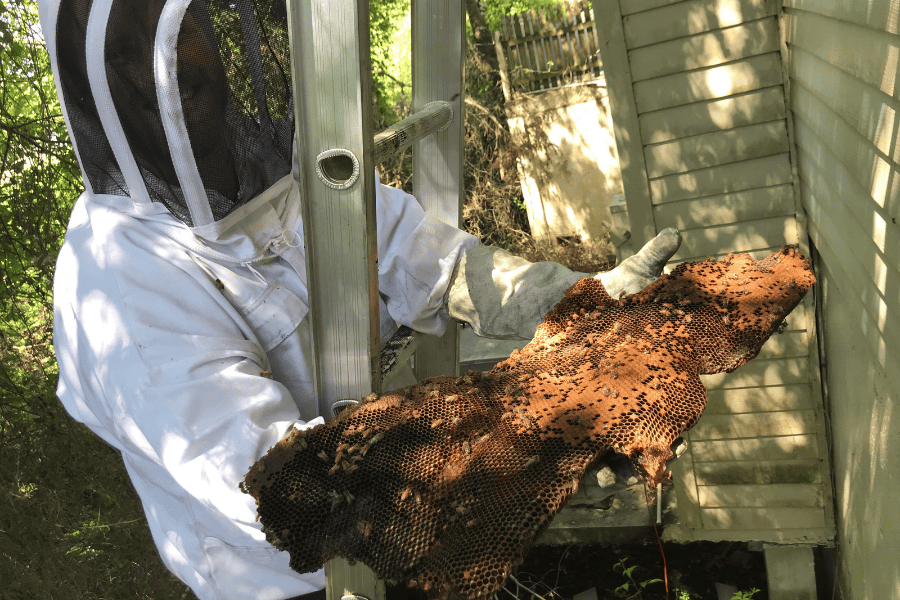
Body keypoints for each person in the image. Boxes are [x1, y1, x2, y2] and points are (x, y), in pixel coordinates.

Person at [40, 0, 680, 598]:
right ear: (92, 93)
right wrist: (514, 437)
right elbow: (277, 486)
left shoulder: (291, 175)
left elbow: (435, 262)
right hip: (299, 584)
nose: (169, 65)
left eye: (176, 32)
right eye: (130, 51)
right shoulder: (113, 283)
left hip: (408, 532)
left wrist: (580, 303)